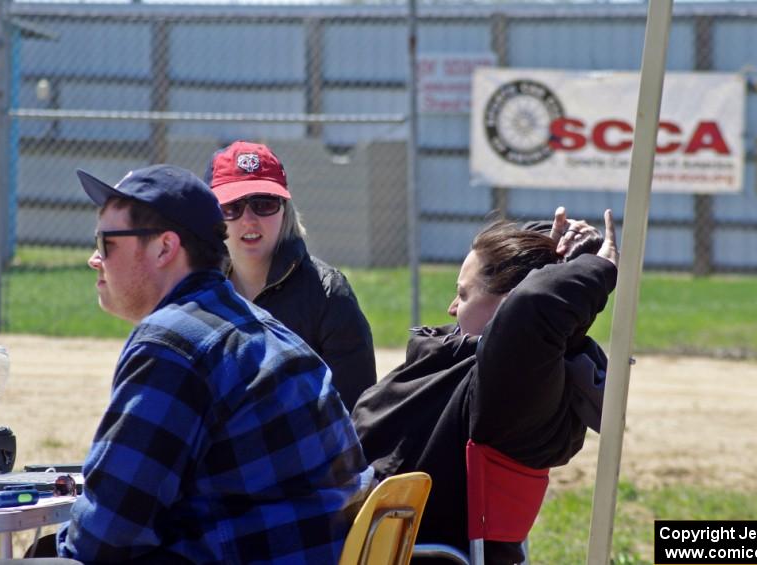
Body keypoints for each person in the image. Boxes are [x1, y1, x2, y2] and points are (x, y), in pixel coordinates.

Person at [53, 164, 373, 563]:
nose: (94, 259)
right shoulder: (263, 328)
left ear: (164, 249)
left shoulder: (172, 344)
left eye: (106, 242)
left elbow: (104, 538)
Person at [351, 207, 618, 563]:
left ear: (505, 308)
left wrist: (597, 268)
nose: (450, 308)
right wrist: (552, 245)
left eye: (462, 294)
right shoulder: (463, 362)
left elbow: (533, 306)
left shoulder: (507, 392)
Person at [204, 141, 376, 411]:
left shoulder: (328, 294)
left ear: (285, 209)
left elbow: (356, 413)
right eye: (231, 207)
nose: (249, 219)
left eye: (264, 203)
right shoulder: (200, 294)